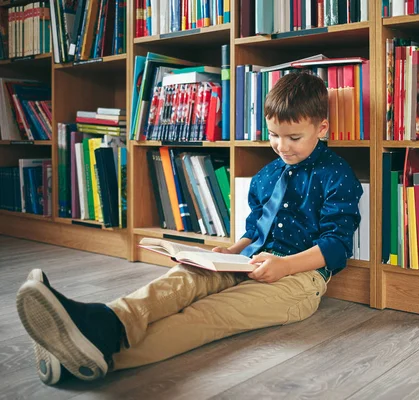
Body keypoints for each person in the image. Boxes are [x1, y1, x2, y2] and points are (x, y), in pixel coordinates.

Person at [15, 72, 364, 385]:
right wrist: (232, 251)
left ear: (322, 128)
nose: (282, 146)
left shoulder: (337, 175)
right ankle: (106, 322)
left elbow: (336, 245)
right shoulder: (268, 173)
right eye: (274, 135)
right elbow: (257, 227)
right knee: (184, 277)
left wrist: (285, 265)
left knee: (210, 314)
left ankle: (97, 357)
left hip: (299, 280)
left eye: (293, 137)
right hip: (249, 261)